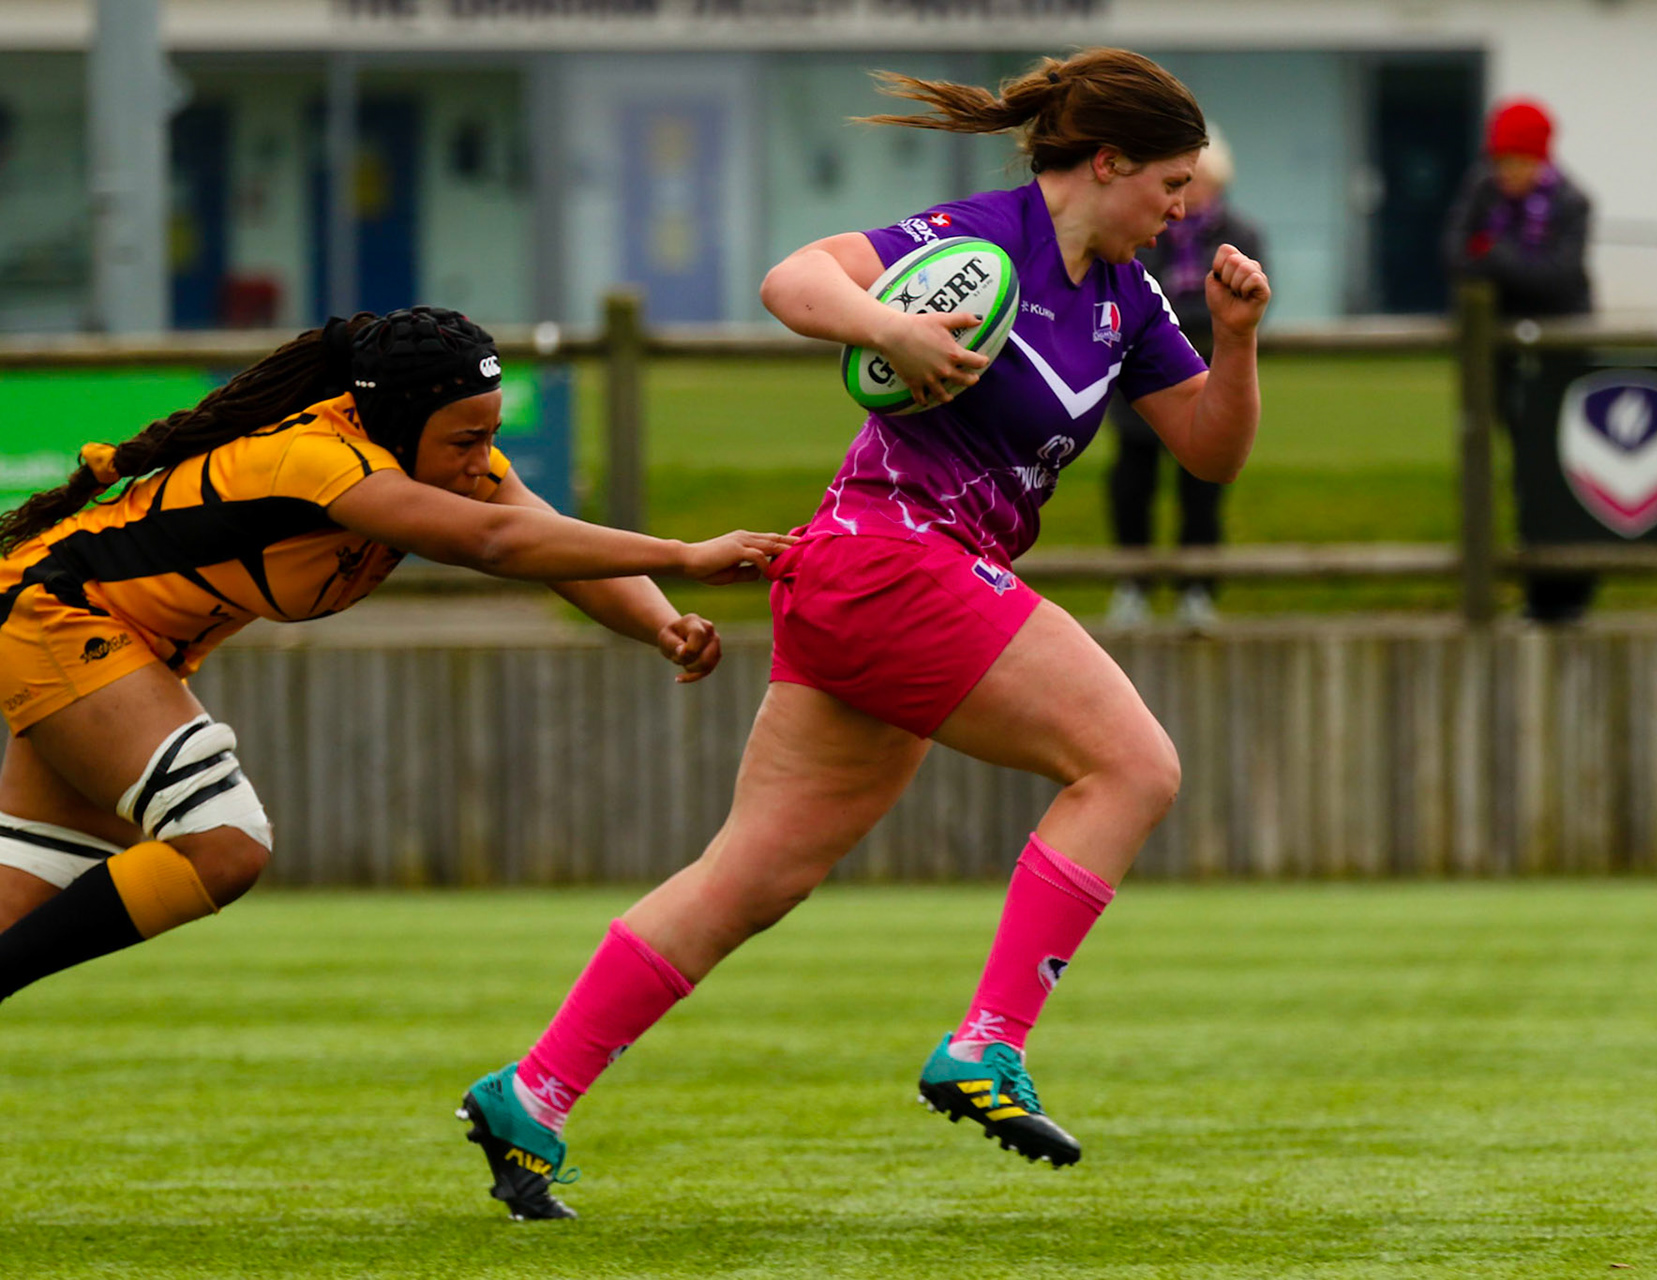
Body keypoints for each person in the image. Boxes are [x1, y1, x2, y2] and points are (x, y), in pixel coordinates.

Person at [454, 48, 1270, 1221]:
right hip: (895, 561)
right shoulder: (984, 240)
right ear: (1107, 163)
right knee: (1133, 764)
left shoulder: (1131, 299)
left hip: (868, 575)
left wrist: (1236, 339)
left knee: (754, 876)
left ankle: (531, 1091)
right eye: (1172, 182)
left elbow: (1211, 453)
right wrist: (895, 327)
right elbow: (792, 280)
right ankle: (988, 1041)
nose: (1184, 208)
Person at [0, 306, 791, 1003]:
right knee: (224, 844)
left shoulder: (438, 458)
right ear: (395, 426)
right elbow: (497, 542)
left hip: (109, 636)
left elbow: (544, 537)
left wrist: (660, 624)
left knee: (30, 888)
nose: (484, 460)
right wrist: (684, 555)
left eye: (492, 435)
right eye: (466, 440)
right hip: (55, 613)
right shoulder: (320, 459)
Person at [1441, 96, 1597, 623]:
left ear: (1540, 159)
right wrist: (1510, 264)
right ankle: (1538, 597)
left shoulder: (1573, 203)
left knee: (1565, 472)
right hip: (1503, 361)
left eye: (1516, 162)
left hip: (1561, 361)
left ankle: (1569, 597)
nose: (1506, 173)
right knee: (1524, 476)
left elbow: (1557, 278)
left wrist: (1494, 255)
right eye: (1500, 161)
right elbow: (1455, 256)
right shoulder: (1481, 190)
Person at [1105, 130, 1264, 631]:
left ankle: (1197, 591)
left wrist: (1194, 321)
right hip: (1138, 379)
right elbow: (1134, 295)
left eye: (1197, 182)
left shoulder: (1241, 235)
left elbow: (1251, 299)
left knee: (1203, 488)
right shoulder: (1140, 232)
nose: (1188, 195)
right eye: (1180, 182)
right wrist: (1191, 318)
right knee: (1132, 485)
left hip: (1210, 378)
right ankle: (1133, 586)